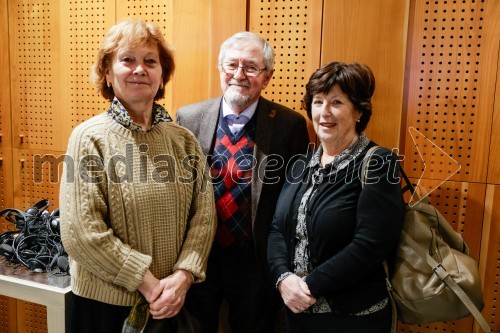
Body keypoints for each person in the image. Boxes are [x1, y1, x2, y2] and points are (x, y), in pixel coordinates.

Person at [59, 19, 216, 333]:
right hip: (107, 309)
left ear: (161, 75)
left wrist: (183, 278)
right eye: (127, 59)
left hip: (173, 304)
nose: (140, 69)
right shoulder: (88, 138)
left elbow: (204, 216)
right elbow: (82, 233)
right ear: (107, 72)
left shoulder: (183, 140)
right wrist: (148, 284)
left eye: (150, 61)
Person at [176, 31, 310, 332]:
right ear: (219, 69)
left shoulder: (290, 126)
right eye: (231, 65)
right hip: (199, 258)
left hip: (254, 260)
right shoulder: (189, 118)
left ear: (267, 76)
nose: (239, 74)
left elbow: (295, 199)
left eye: (251, 67)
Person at [267, 61, 405, 333]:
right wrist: (283, 279)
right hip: (298, 314)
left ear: (359, 112)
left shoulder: (379, 163)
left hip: (353, 319)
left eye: (336, 102)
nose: (324, 112)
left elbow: (370, 246)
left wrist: (307, 287)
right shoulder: (299, 164)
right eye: (317, 102)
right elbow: (276, 230)